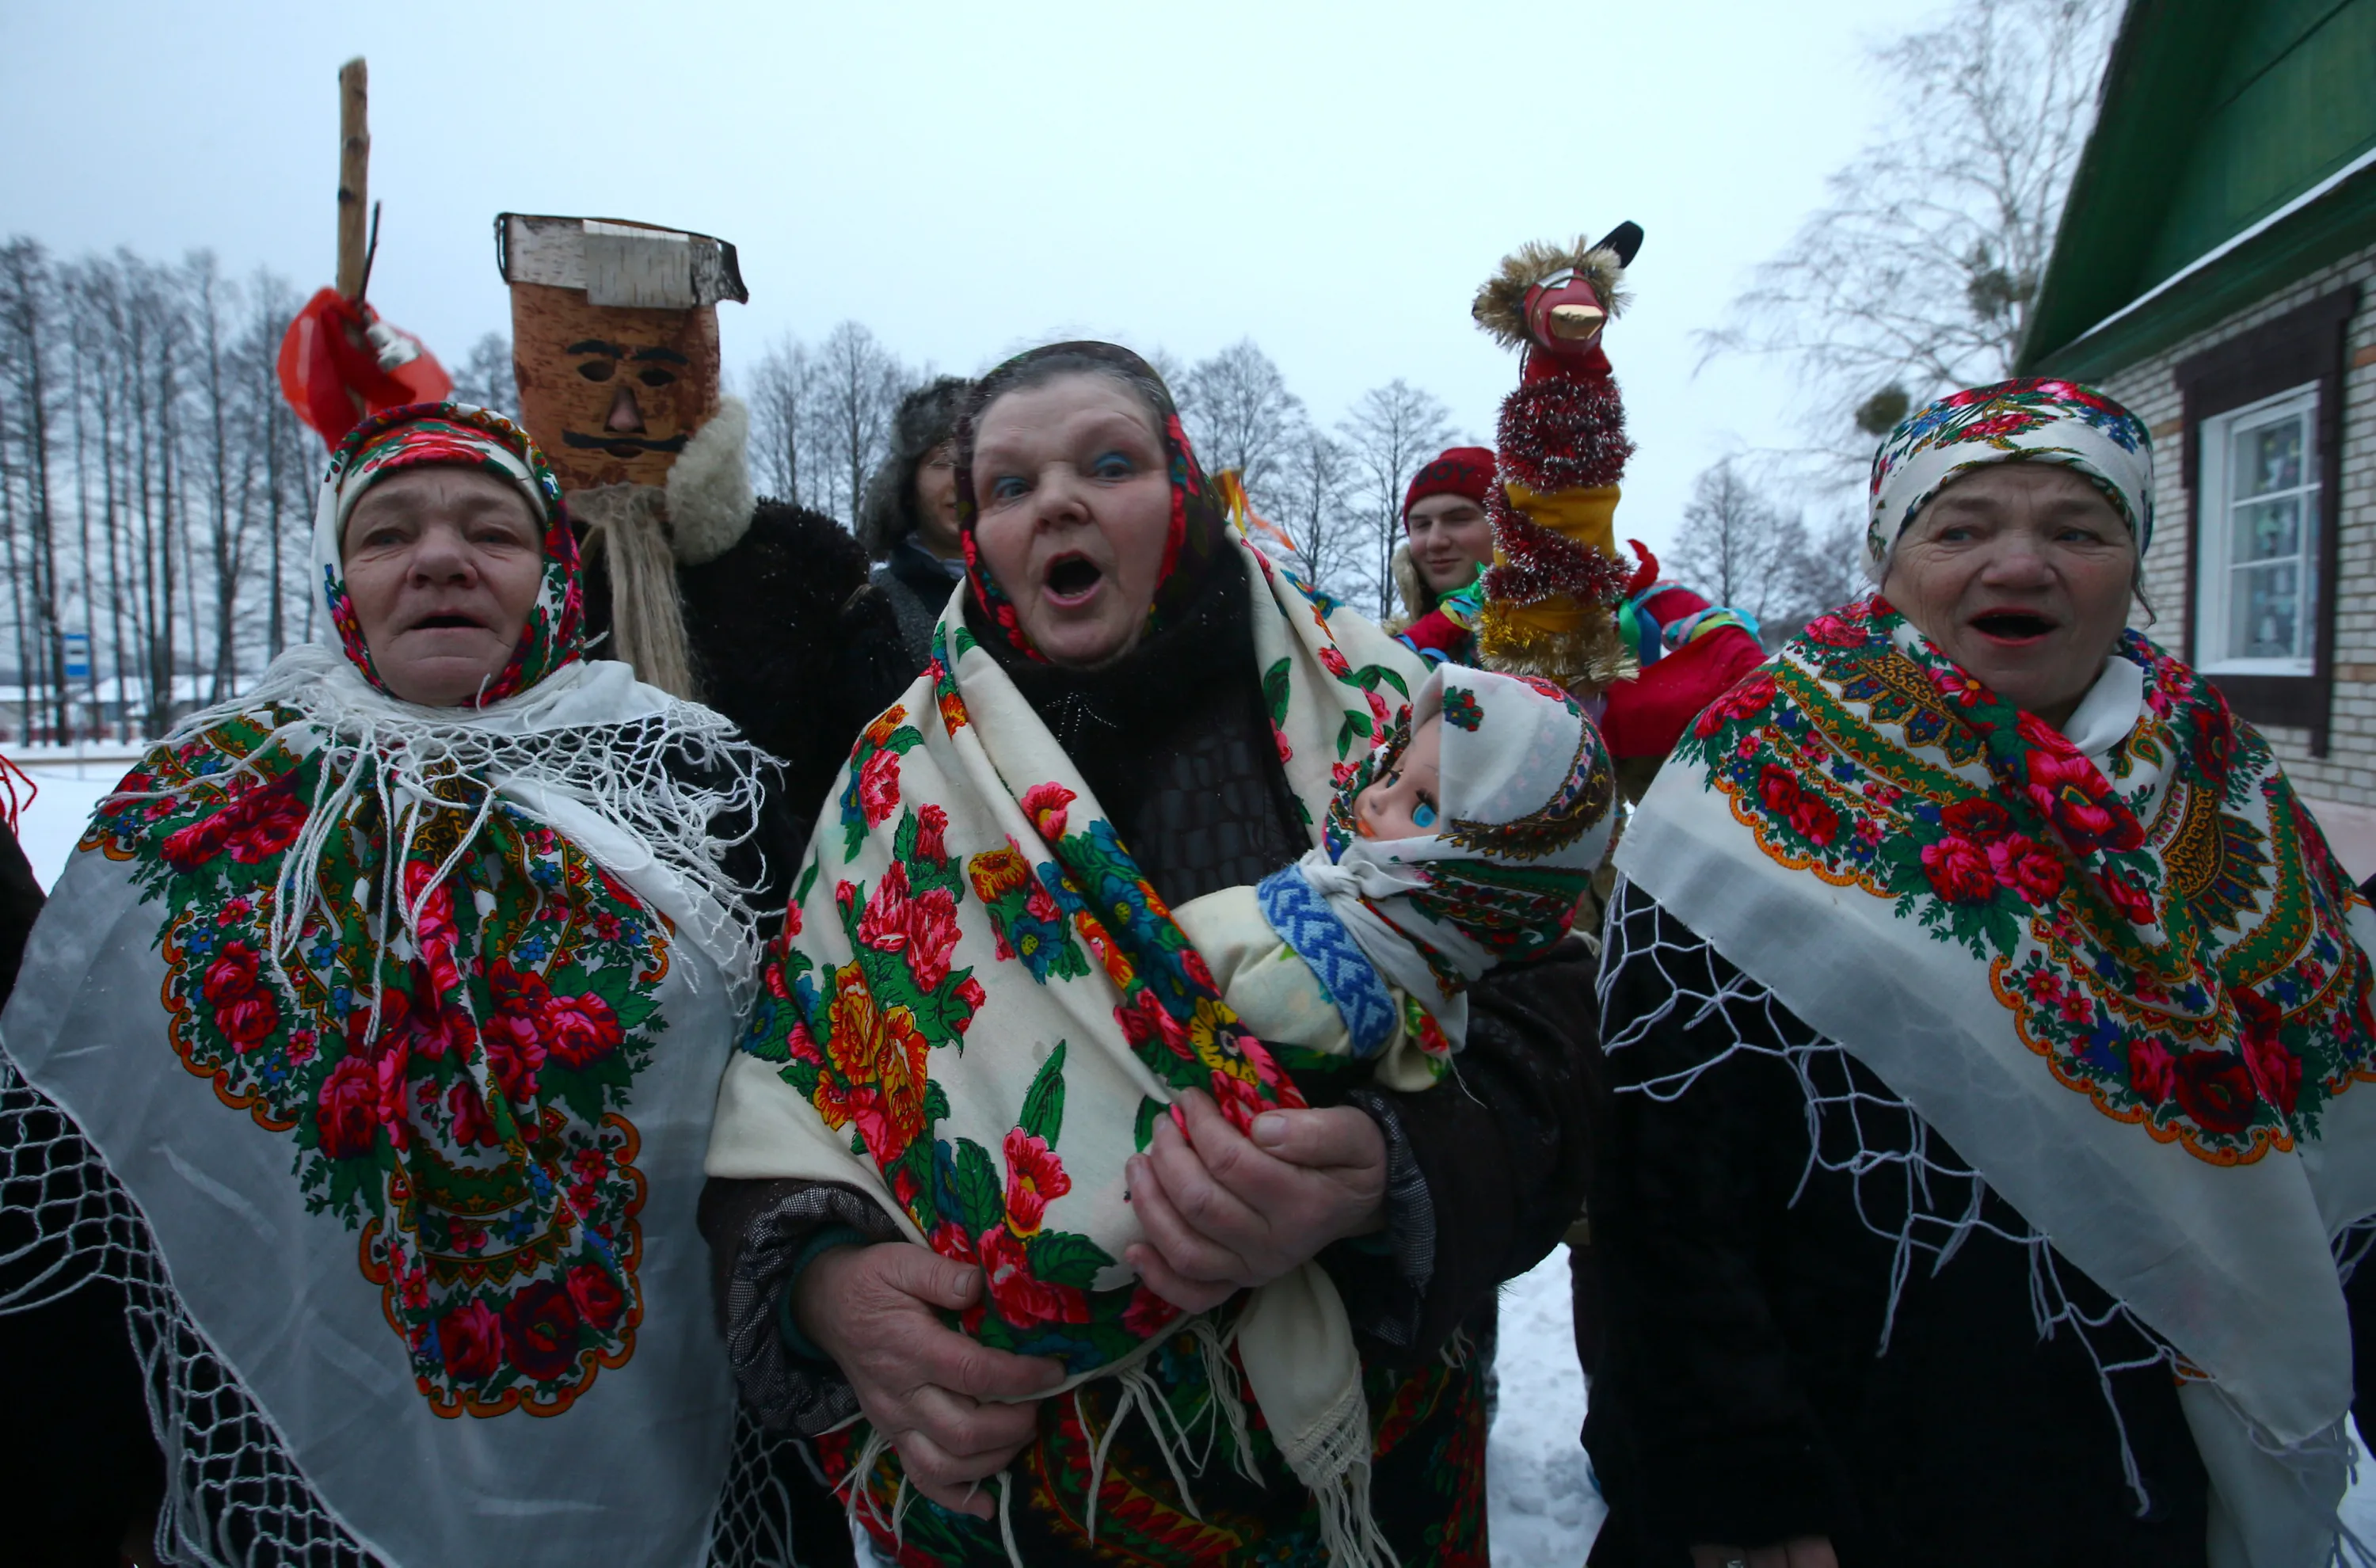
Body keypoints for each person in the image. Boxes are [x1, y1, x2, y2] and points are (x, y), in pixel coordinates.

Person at [701, 341, 1598, 1566]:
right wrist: (823, 1291)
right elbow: (789, 1072)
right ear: (978, 536)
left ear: (1185, 486)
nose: (1054, 502)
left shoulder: (1397, 714)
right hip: (1028, 1497)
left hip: (1365, 1480)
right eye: (1007, 487)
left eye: (1108, 462)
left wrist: (1393, 1173)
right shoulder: (895, 784)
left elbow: (1558, 1019)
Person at [0, 404, 821, 1567]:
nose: (439, 557)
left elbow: (809, 1072)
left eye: (491, 529)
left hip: (678, 1426)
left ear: (553, 576)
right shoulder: (202, 801)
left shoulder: (694, 780)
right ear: (341, 582)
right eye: (387, 535)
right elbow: (88, 1146)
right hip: (285, 1464)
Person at [1585, 379, 2376, 1568]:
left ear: (2136, 559)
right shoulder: (1750, 779)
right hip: (1864, 1464)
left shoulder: (2229, 784)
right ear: (1888, 559)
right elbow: (1658, 1189)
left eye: (2076, 528)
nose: (2021, 563)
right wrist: (1744, 1485)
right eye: (1960, 529)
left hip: (2158, 1475)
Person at [499, 212, 909, 812]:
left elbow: (889, 783)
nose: (624, 418)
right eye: (590, 375)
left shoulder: (809, 571)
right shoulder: (506, 575)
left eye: (658, 379)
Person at [859, 376, 975, 672]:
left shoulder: (1028, 592)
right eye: (941, 463)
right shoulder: (873, 605)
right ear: (907, 484)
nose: (960, 479)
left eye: (972, 460)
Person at [1391, 447, 1498, 666]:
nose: (1435, 542)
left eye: (1459, 519)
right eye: (1421, 525)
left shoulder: (1572, 645)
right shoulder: (1387, 652)